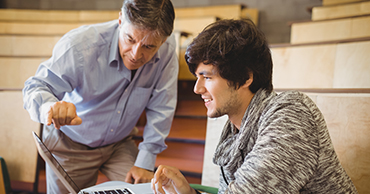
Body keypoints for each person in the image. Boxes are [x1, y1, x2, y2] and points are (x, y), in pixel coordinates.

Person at [151, 19, 358, 194]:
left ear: (245, 77)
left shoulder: (291, 114)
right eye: (197, 77)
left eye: (207, 77)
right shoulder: (235, 131)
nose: (197, 89)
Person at [23, 0, 178, 193]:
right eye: (130, 39)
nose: (136, 54)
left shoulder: (167, 50)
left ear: (163, 40)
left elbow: (162, 107)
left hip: (119, 144)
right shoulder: (80, 46)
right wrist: (49, 107)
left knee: (146, 191)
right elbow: (35, 87)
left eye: (148, 47)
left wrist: (146, 160)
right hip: (71, 144)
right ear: (120, 20)